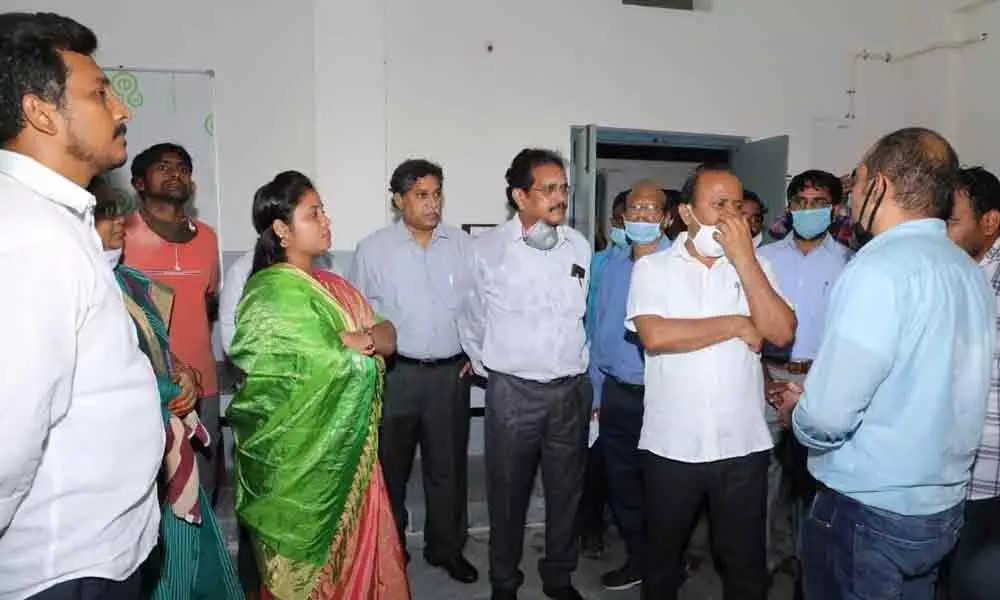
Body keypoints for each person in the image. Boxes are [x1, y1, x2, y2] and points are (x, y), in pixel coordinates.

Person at [776, 128, 995, 599]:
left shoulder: (877, 268)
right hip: (940, 507)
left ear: (878, 185)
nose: (849, 194)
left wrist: (798, 414)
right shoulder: (966, 269)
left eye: (854, 180)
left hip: (868, 512)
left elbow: (829, 418)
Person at [0, 13, 163, 599]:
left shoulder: (56, 220)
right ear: (40, 112)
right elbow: (8, 440)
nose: (122, 110)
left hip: (98, 548)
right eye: (99, 93)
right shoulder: (28, 236)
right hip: (61, 565)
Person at [226, 171, 408, 600]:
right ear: (282, 229)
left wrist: (359, 343)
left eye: (323, 210)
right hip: (299, 466)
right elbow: (318, 369)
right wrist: (355, 353)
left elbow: (389, 335)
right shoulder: (268, 294)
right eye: (314, 213)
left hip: (351, 457)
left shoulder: (335, 285)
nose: (326, 220)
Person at [627, 164, 795, 599]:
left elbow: (779, 332)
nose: (729, 216)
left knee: (744, 566)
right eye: (717, 204)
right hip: (671, 445)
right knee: (662, 562)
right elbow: (656, 334)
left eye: (736, 206)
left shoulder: (758, 267)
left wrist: (744, 260)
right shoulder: (654, 268)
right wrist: (739, 324)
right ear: (686, 212)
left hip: (741, 445)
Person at [90, 177, 243, 600]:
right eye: (103, 213)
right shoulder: (74, 290)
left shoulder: (133, 284)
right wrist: (160, 389)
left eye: (117, 210)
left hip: (163, 437)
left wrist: (186, 375)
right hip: (114, 458)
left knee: (183, 544)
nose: (118, 221)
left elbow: (160, 350)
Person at [459, 149, 592, 600]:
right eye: (548, 189)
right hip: (513, 393)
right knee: (507, 495)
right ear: (520, 195)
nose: (560, 198)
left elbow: (582, 317)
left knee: (566, 493)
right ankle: (504, 581)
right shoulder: (487, 250)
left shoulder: (578, 245)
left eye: (563, 188)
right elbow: (471, 320)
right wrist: (494, 368)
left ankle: (559, 576)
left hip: (570, 392)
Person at [348, 159, 477, 583]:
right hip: (394, 375)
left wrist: (475, 356)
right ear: (398, 199)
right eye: (422, 194)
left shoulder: (462, 245)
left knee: (448, 469)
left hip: (449, 376)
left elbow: (478, 308)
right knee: (390, 470)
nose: (432, 202)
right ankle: (392, 550)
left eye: (437, 193)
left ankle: (447, 549)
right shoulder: (373, 249)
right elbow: (358, 315)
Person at [757, 170, 852, 578]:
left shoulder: (851, 263)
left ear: (834, 209)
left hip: (823, 380)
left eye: (818, 203)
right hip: (770, 375)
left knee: (818, 477)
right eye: (801, 202)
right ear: (789, 208)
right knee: (765, 477)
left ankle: (809, 559)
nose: (808, 210)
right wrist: (762, 377)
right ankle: (765, 558)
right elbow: (751, 321)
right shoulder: (766, 258)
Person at [123, 142, 222, 499]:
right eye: (162, 167)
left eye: (181, 167)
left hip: (203, 387)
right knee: (149, 498)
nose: (174, 173)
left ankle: (198, 559)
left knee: (201, 496)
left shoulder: (208, 238)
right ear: (138, 182)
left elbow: (207, 300)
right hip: (143, 386)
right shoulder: (121, 236)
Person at [590, 181, 671, 591]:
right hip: (619, 395)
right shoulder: (614, 266)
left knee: (664, 489)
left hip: (666, 397)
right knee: (622, 485)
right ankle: (640, 558)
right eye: (634, 209)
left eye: (651, 209)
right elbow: (601, 332)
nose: (641, 216)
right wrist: (597, 392)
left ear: (667, 217)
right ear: (623, 217)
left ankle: (665, 566)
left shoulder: (681, 265)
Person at [944, 166, 1000, 600]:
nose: (942, 231)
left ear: (990, 221)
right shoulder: (956, 272)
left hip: (989, 467)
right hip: (949, 465)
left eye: (952, 220)